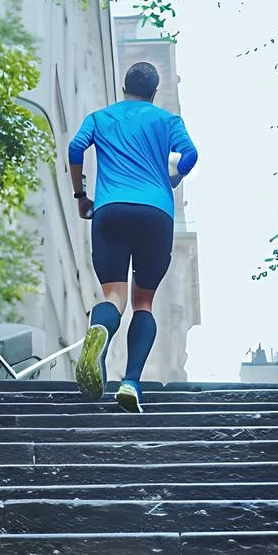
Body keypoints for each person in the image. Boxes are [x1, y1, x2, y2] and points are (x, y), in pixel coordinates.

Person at [67, 61, 198, 412]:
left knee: (113, 295)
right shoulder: (167, 121)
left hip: (110, 210)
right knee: (144, 302)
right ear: (154, 93)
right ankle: (130, 382)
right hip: (156, 215)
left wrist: (81, 196)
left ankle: (101, 333)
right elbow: (191, 155)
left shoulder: (100, 118)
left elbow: (75, 149)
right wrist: (173, 176)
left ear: (123, 87)